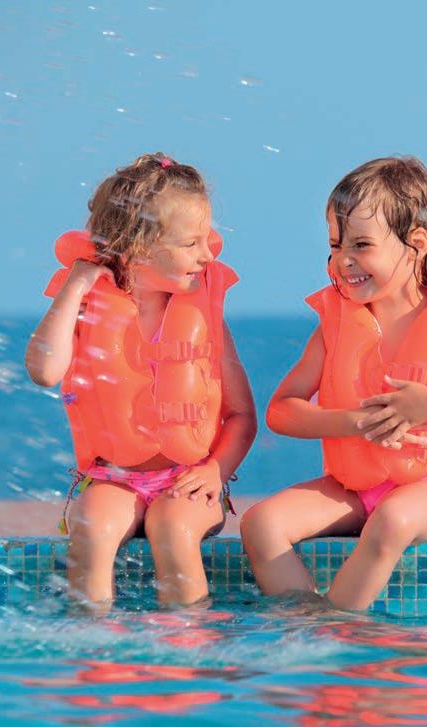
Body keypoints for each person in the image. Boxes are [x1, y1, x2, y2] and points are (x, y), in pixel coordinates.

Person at [241, 156, 427, 611]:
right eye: (335, 245)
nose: (344, 260)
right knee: (261, 524)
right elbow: (282, 411)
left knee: (391, 521)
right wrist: (353, 422)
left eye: (362, 244)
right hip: (352, 486)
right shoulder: (336, 325)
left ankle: (337, 625)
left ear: (416, 244)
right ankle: (307, 623)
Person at [25, 152, 256, 610]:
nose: (208, 254)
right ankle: (96, 642)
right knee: (91, 529)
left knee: (173, 527)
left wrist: (216, 470)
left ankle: (187, 640)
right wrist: (74, 287)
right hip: (112, 479)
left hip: (189, 480)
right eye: (191, 243)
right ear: (139, 247)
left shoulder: (202, 315)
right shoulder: (89, 307)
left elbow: (242, 415)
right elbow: (44, 371)